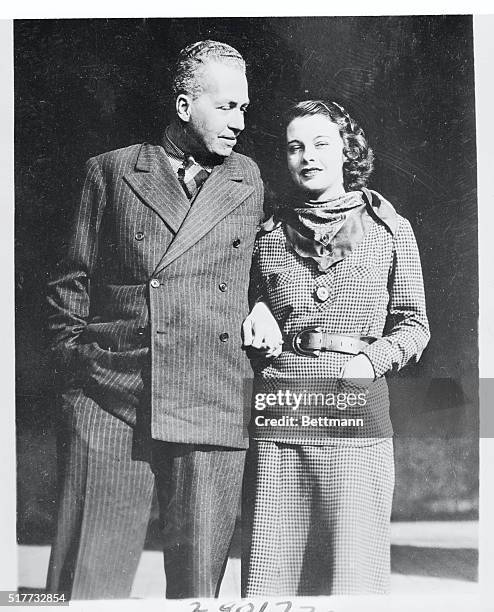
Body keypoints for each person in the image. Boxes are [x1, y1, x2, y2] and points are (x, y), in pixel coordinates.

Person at [46, 40, 268, 600]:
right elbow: (70, 281)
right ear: (184, 105)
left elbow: (268, 266)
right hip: (112, 394)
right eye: (228, 107)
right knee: (85, 584)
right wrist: (78, 368)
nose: (241, 121)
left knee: (198, 589)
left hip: (212, 394)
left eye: (244, 108)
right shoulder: (113, 171)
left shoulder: (248, 177)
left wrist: (266, 302)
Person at [241, 100, 430, 596]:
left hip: (356, 410)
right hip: (283, 411)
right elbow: (245, 299)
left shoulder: (389, 230)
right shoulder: (268, 236)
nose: (307, 157)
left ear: (348, 149)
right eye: (295, 147)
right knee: (273, 576)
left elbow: (414, 326)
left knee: (354, 578)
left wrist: (373, 359)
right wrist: (256, 307)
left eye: (321, 144)